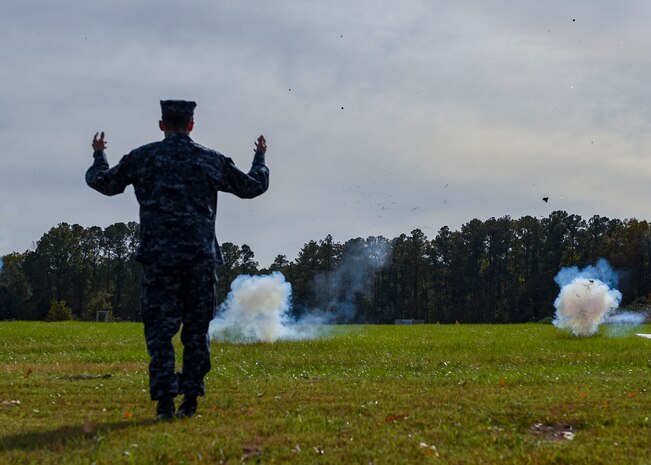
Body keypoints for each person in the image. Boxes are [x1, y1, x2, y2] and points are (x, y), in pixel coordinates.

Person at [86, 100, 269, 420]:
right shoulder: (209, 159)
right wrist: (260, 158)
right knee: (196, 334)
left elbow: (105, 183)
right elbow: (252, 187)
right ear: (191, 125)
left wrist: (99, 155)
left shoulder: (143, 157)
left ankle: (165, 403)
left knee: (160, 334)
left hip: (160, 261)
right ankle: (190, 401)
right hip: (199, 261)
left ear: (162, 125)